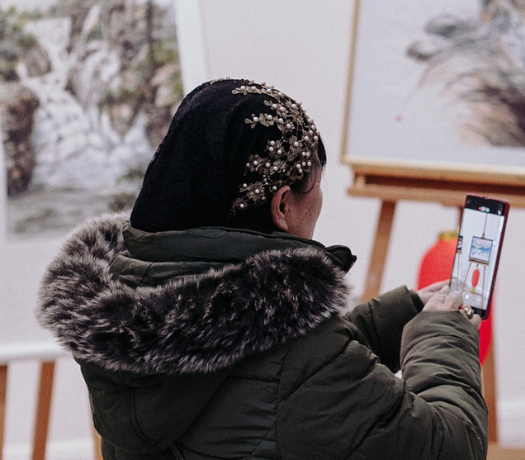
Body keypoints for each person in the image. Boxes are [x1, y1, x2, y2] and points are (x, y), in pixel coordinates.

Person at [38, 79, 487, 460]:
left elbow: (261, 375)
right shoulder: (300, 359)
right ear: (282, 205)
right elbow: (452, 445)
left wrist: (398, 317)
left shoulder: (127, 316)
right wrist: (441, 335)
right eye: (316, 185)